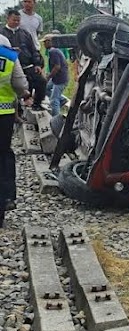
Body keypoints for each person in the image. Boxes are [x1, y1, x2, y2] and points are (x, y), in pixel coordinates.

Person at [0, 34, 32, 228]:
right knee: (4, 156)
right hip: (3, 115)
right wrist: (26, 95)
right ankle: (7, 198)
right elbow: (20, 85)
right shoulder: (9, 57)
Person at [0, 9, 45, 111]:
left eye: (18, 20)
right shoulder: (1, 34)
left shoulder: (25, 34)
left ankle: (36, 104)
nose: (16, 22)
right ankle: (18, 111)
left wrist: (37, 64)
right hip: (10, 67)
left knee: (41, 81)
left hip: (27, 65)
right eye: (14, 20)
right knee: (16, 87)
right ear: (8, 19)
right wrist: (10, 51)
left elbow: (33, 50)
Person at [42, 34, 68, 128]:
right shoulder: (53, 51)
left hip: (60, 79)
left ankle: (55, 121)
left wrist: (48, 77)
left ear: (50, 42)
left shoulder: (53, 52)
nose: (44, 44)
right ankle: (62, 100)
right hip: (57, 78)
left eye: (45, 42)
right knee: (46, 89)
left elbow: (57, 67)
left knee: (53, 100)